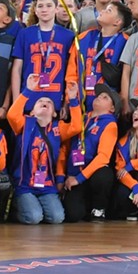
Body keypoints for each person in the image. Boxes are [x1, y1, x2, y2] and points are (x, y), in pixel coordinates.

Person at [59, 86, 121, 221]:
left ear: (112, 108)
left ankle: (99, 208)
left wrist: (79, 178)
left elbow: (103, 157)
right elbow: (66, 146)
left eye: (105, 97)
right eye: (99, 95)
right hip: (74, 174)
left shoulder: (110, 124)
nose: (99, 97)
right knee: (73, 215)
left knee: (103, 175)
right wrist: (65, 175)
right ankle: (85, 206)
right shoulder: (82, 117)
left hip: (90, 175)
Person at [6, 94, 66, 225]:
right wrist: (28, 91)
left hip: (47, 185)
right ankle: (17, 208)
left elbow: (76, 127)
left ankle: (33, 206)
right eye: (40, 101)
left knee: (57, 217)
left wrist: (72, 100)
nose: (45, 102)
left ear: (54, 113)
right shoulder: (24, 124)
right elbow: (11, 115)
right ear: (32, 112)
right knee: (34, 217)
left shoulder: (58, 128)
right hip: (24, 184)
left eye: (49, 102)